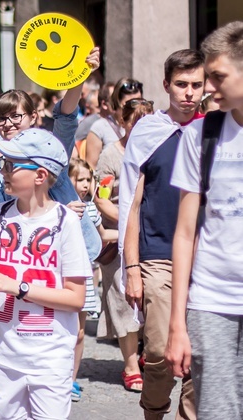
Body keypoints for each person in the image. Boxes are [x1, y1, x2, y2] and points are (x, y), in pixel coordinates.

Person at [0, 128, 91, 420]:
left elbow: (76, 299)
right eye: (3, 164)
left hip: (49, 359)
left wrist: (17, 287)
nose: (4, 171)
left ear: (40, 175)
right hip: (1, 357)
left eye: (12, 165)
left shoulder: (66, 222)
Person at [121, 50, 205, 419]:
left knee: (199, 356)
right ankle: (154, 411)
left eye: (196, 85)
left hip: (206, 260)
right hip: (157, 255)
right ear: (167, 84)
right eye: (182, 85)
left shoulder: (213, 129)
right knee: (157, 350)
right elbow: (130, 203)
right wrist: (131, 267)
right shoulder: (148, 130)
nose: (189, 93)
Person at [166, 22, 243, 419]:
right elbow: (184, 234)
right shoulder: (202, 135)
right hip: (212, 301)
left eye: (218, 76)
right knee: (216, 412)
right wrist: (177, 322)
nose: (208, 87)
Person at [0, 47, 103, 267]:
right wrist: (60, 212)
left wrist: (81, 73)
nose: (8, 124)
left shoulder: (51, 149)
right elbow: (0, 217)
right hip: (27, 260)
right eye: (1, 118)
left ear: (33, 117)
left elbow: (66, 117)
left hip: (73, 253)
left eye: (16, 116)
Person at [93, 97, 154, 394]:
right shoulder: (110, 155)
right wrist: (129, 218)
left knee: (151, 298)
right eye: (135, 120)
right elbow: (102, 198)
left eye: (147, 119)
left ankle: (145, 353)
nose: (141, 126)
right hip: (118, 239)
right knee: (122, 301)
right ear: (123, 122)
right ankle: (130, 365)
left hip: (152, 238)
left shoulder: (158, 149)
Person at [67, 157, 116, 401]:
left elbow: (103, 235)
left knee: (79, 332)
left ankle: (72, 380)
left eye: (88, 179)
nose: (85, 185)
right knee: (64, 331)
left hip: (86, 275)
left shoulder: (92, 208)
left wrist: (132, 232)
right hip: (65, 275)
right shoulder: (61, 206)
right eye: (80, 179)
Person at [85, 78, 143, 167]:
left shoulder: (145, 125)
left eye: (138, 103)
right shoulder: (99, 128)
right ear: (117, 102)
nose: (135, 108)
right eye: (129, 104)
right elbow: (91, 167)